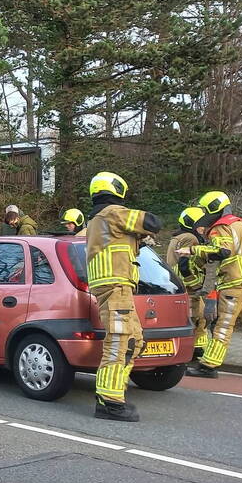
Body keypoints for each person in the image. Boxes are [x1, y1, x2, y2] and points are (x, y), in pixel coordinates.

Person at [86, 171, 162, 422]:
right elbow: (152, 221)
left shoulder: (98, 220)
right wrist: (142, 231)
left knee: (133, 341)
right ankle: (108, 401)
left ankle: (115, 391)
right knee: (119, 341)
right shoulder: (112, 213)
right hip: (115, 285)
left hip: (115, 286)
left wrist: (136, 239)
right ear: (116, 190)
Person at [179, 191, 242, 381]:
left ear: (213, 209)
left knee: (224, 324)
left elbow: (222, 251)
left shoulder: (220, 227)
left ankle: (208, 365)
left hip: (235, 282)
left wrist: (192, 250)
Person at [165, 207, 211, 360]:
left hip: (178, 286)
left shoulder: (178, 237)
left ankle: (196, 349)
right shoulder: (191, 238)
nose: (203, 229)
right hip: (188, 288)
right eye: (200, 225)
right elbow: (184, 265)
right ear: (191, 224)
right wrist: (196, 285)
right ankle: (194, 350)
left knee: (198, 318)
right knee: (197, 318)